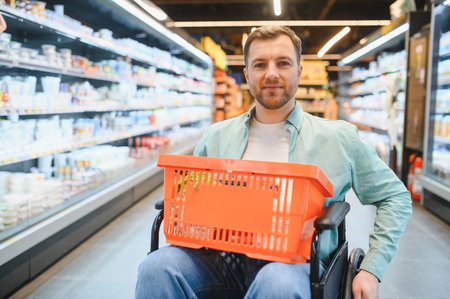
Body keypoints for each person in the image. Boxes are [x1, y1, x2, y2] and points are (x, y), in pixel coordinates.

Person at [135, 26, 412, 299]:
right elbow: (192, 198)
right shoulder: (217, 137)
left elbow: (395, 197)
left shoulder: (338, 138)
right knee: (156, 268)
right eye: (259, 64)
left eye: (283, 63)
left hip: (299, 266)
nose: (271, 74)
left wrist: (371, 269)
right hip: (221, 260)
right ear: (246, 75)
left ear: (299, 72)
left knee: (276, 283)